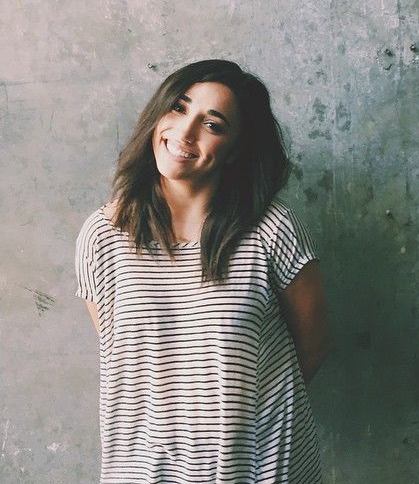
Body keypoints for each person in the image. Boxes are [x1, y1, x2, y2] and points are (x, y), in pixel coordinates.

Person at [75, 59, 331, 484]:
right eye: (178, 107)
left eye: (212, 124)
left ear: (235, 150)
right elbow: (125, 356)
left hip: (261, 466)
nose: (185, 132)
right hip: (144, 470)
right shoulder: (103, 236)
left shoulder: (271, 229)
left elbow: (315, 344)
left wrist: (243, 417)